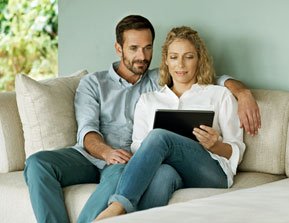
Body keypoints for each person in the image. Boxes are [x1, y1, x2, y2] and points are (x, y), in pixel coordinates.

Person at [23, 15, 257, 223]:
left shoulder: (160, 80)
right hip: (97, 155)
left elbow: (205, 79)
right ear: (118, 48)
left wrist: (242, 92)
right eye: (134, 48)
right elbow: (88, 129)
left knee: (159, 155)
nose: (141, 56)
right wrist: (106, 152)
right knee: (37, 163)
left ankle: (115, 208)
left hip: (138, 161)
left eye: (147, 48)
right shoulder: (97, 84)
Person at [95, 26, 246, 220]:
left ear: (199, 59)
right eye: (174, 57)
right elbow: (138, 146)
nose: (180, 65)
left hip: (211, 172)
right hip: (166, 168)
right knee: (164, 174)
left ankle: (118, 205)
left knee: (159, 136)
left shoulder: (219, 95)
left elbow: (237, 150)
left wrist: (215, 145)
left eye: (188, 57)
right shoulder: (148, 100)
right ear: (166, 60)